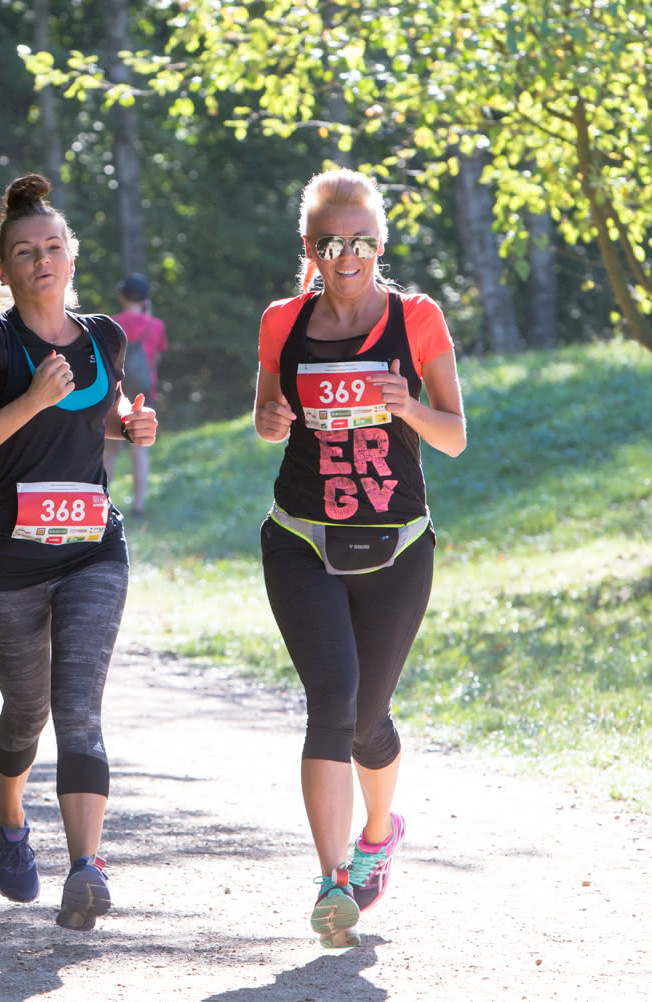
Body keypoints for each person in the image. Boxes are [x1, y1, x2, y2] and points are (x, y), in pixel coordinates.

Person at [252, 169, 466, 948]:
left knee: (366, 722)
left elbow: (454, 434)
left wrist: (406, 404)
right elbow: (267, 419)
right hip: (302, 539)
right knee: (331, 700)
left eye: (363, 240)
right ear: (310, 248)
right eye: (331, 242)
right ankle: (332, 877)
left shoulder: (417, 318)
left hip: (398, 548)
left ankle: (381, 831)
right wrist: (273, 417)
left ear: (381, 241)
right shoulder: (284, 320)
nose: (348, 255)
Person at [0, 174, 158, 930]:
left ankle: (86, 866)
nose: (42, 260)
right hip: (7, 562)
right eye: (25, 251)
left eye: (54, 247)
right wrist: (29, 397)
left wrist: (128, 424)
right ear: (2, 264)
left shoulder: (105, 336)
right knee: (25, 712)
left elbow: (92, 414)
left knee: (78, 709)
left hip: (92, 548)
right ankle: (6, 814)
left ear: (72, 256)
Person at [104, 273, 168, 517]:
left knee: (109, 449)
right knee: (139, 447)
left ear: (122, 297)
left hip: (114, 391)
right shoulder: (156, 325)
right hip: (143, 391)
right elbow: (156, 358)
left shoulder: (109, 322)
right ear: (146, 299)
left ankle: (103, 500)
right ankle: (138, 505)